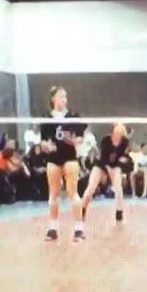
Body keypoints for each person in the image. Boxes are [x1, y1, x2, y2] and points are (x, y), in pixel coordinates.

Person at [40, 86, 86, 241]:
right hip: (53, 158)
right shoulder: (46, 117)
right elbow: (43, 140)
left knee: (73, 192)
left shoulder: (73, 116)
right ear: (53, 99)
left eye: (65, 97)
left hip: (69, 157)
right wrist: (46, 146)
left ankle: (79, 229)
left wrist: (72, 140)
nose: (64, 100)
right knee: (53, 194)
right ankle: (53, 228)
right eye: (61, 96)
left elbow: (80, 138)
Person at [81, 124, 130, 230]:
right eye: (116, 133)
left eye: (120, 133)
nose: (117, 135)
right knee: (91, 188)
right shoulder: (106, 140)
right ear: (113, 132)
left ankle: (119, 214)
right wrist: (108, 171)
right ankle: (82, 210)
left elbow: (122, 155)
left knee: (118, 189)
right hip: (101, 165)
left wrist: (123, 159)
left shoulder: (124, 142)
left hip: (115, 166)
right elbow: (103, 158)